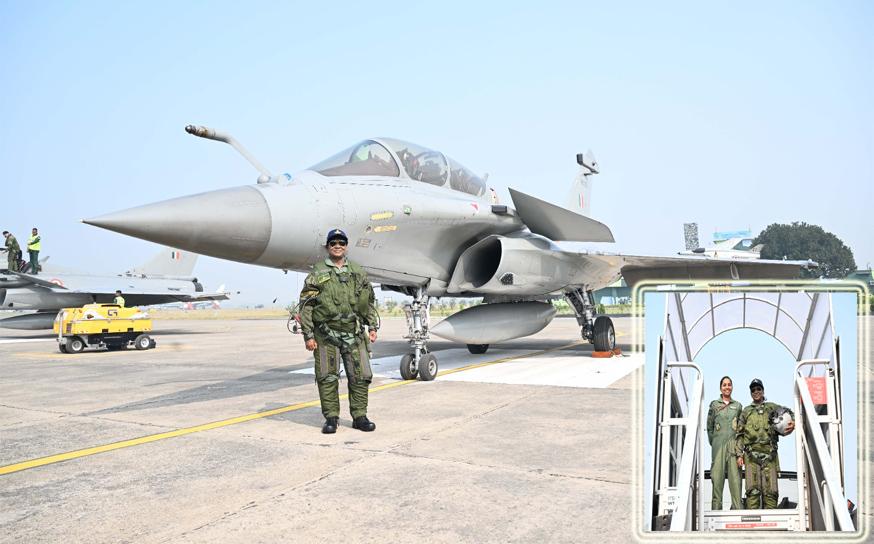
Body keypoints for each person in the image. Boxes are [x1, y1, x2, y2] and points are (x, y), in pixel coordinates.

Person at [299, 228, 379, 434]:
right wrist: (308, 335)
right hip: (326, 335)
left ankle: (360, 417)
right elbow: (306, 305)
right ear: (327, 247)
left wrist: (372, 326)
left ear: (346, 246)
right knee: (327, 377)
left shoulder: (357, 271)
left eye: (341, 243)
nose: (337, 246)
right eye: (333, 243)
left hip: (354, 333)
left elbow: (368, 301)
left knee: (361, 376)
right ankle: (331, 418)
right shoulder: (317, 273)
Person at [735, 378, 795, 509]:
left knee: (771, 493)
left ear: (763, 390)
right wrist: (739, 455)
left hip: (770, 456)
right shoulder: (746, 411)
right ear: (750, 393)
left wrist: (793, 422)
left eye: (758, 389)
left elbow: (789, 412)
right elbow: (739, 434)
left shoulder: (772, 408)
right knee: (752, 492)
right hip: (751, 457)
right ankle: (753, 526)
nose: (756, 392)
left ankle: (771, 526)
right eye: (753, 390)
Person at [706, 376, 743, 510]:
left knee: (736, 480)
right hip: (718, 448)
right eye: (724, 385)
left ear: (732, 387)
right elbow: (709, 426)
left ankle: (738, 510)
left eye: (729, 385)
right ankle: (716, 511)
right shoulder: (714, 405)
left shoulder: (738, 406)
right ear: (720, 388)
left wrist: (740, 452)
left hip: (733, 447)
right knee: (717, 480)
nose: (727, 387)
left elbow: (740, 431)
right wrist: (715, 442)